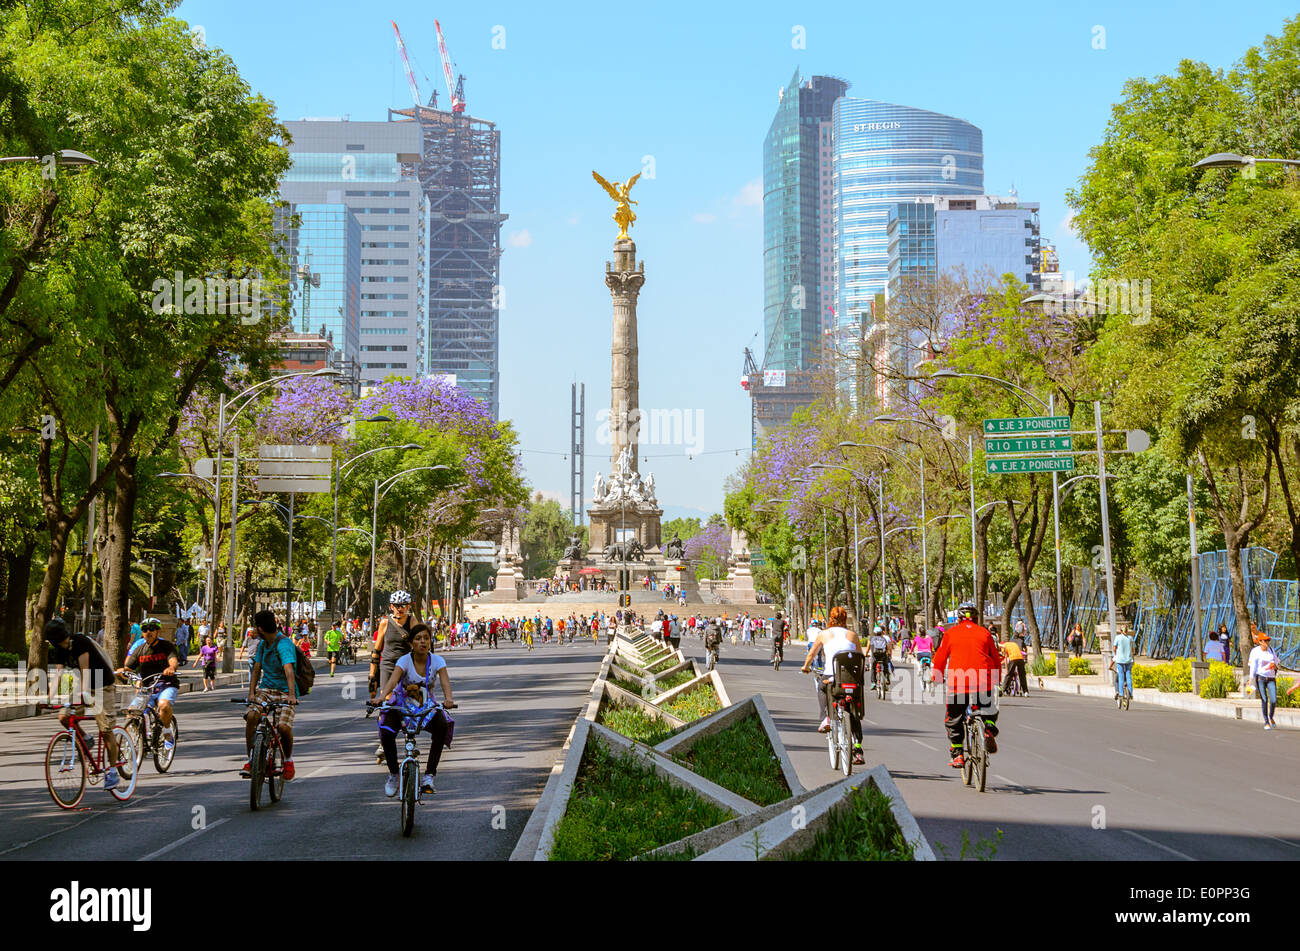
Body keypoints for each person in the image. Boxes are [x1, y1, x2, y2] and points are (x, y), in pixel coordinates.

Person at [370, 624, 456, 796]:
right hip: (402, 704)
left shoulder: (438, 661)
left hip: (425, 705)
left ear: (430, 641)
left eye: (426, 638)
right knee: (386, 731)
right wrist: (381, 698)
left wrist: (448, 699)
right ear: (411, 643)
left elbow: (445, 682)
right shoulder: (404, 661)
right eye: (418, 639)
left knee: (441, 725)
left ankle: (429, 776)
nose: (422, 642)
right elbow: (393, 681)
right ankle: (394, 774)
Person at [45, 618, 122, 791]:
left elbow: (85, 670)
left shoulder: (79, 642)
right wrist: (48, 697)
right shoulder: (59, 649)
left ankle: (112, 771)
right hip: (83, 686)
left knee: (106, 729)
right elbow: (58, 674)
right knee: (64, 716)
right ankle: (86, 738)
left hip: (102, 685)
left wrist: (85, 692)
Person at [931, 601, 1002, 769]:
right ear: (976, 618)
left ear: (959, 618)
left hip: (958, 682)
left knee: (953, 718)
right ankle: (989, 728)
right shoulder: (985, 633)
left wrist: (937, 677)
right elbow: (995, 659)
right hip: (983, 680)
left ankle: (958, 755)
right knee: (988, 707)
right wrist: (996, 680)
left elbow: (940, 658)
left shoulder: (951, 633)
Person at [800, 607, 865, 765]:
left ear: (830, 618)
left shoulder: (824, 634)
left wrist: (806, 667)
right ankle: (857, 749)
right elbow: (860, 656)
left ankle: (825, 719)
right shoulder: (853, 635)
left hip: (831, 679)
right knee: (853, 711)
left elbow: (811, 654)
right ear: (845, 619)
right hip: (851, 680)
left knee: (821, 688)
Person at [242, 610, 298, 780]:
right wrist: (251, 693)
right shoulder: (262, 645)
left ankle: (288, 760)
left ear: (260, 628)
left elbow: (289, 671)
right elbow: (257, 669)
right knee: (252, 716)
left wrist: (291, 695)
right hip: (266, 689)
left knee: (283, 727)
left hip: (285, 691)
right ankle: (251, 759)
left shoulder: (283, 644)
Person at [119, 617, 181, 746]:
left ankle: (167, 730)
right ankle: (137, 739)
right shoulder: (140, 649)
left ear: (158, 631)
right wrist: (123, 672)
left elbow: (173, 661)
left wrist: (171, 668)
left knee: (163, 705)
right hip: (147, 688)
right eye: (145, 629)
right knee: (132, 711)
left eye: (152, 629)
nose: (148, 632)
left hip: (166, 684)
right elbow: (128, 667)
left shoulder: (166, 646)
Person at [1249, 633, 1280, 730]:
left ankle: (1271, 716)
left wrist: (1275, 666)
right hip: (1260, 678)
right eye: (1265, 640)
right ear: (1260, 642)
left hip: (1271, 678)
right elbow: (1253, 666)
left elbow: (1277, 662)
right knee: (1264, 699)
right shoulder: (1255, 652)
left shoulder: (1271, 650)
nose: (1267, 642)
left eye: (1268, 640)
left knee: (1274, 700)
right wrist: (1250, 679)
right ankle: (1266, 721)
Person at [1111, 625, 1133, 701]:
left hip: (1120, 660)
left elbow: (1114, 648)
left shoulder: (1117, 637)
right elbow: (1133, 649)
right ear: (1127, 631)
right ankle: (1130, 693)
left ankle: (1121, 693)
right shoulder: (1130, 638)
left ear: (1120, 631)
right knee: (1128, 675)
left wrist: (1116, 653)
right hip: (1129, 660)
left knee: (1120, 676)